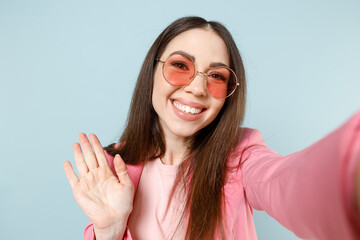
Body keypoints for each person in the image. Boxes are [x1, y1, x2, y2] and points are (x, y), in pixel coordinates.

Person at [63, 16, 360, 240]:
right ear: (152, 71)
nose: (197, 88)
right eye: (180, 66)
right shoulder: (115, 168)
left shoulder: (240, 157)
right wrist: (111, 230)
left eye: (216, 75)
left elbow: (285, 183)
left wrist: (349, 171)